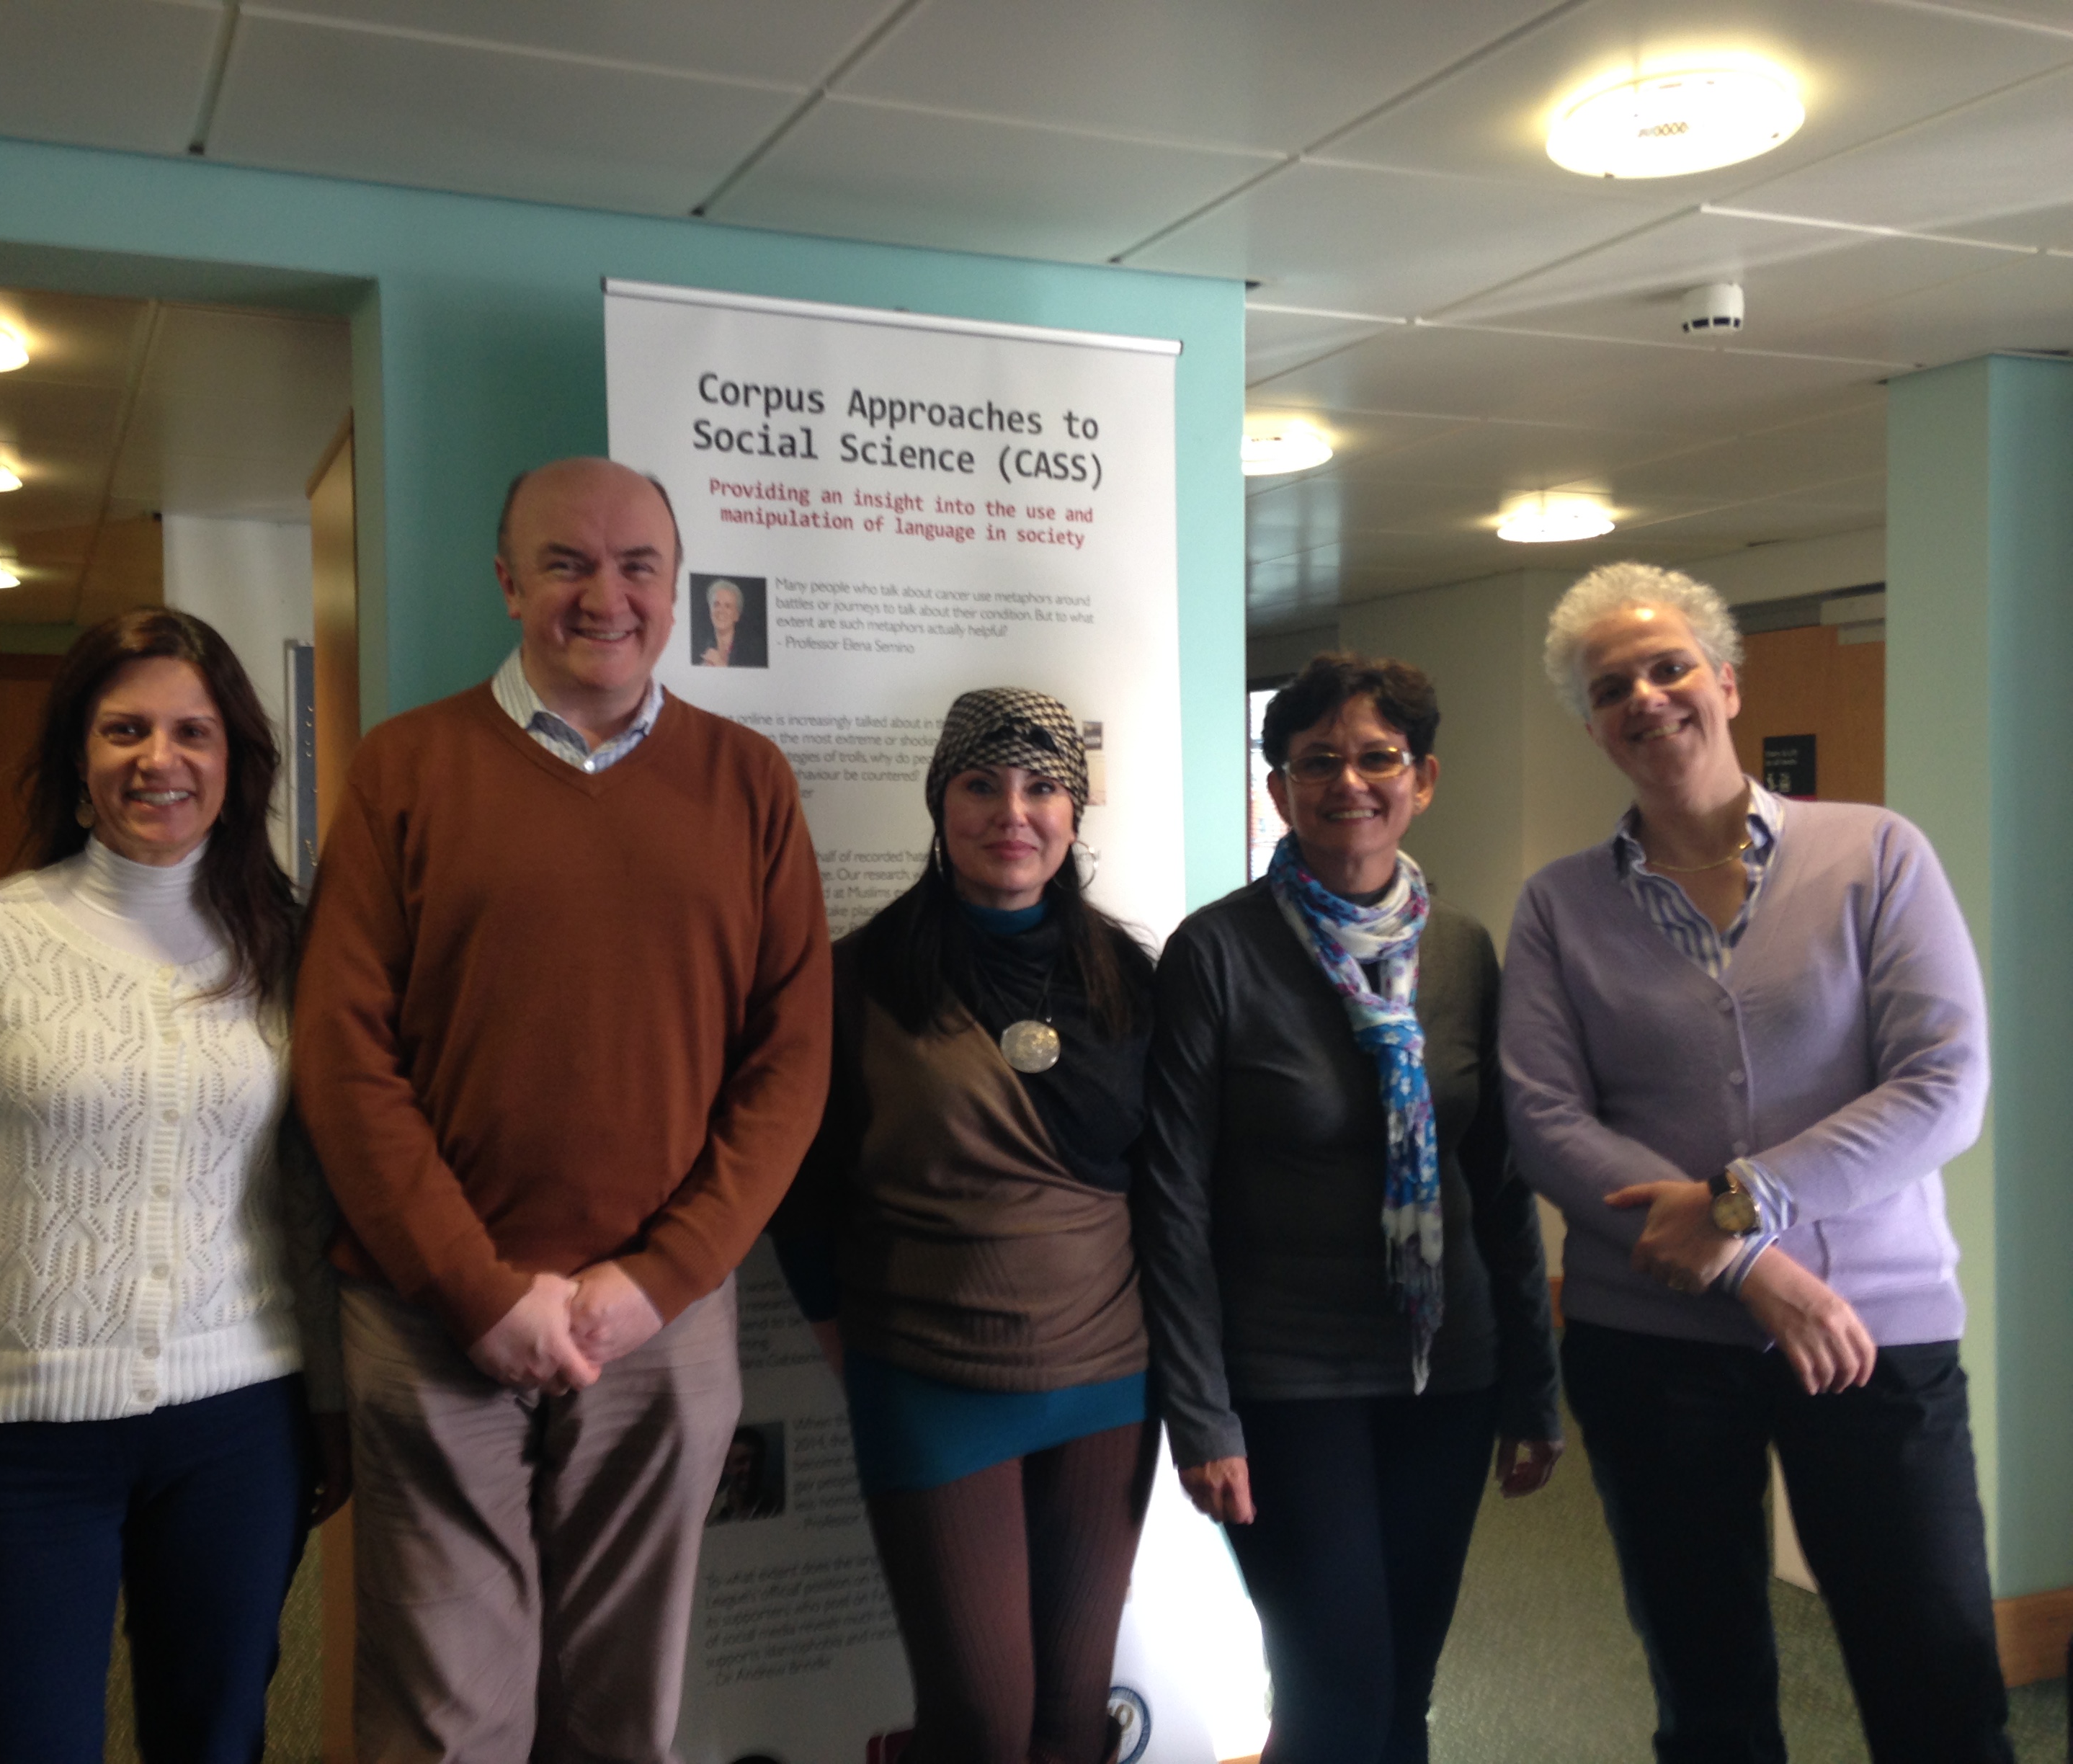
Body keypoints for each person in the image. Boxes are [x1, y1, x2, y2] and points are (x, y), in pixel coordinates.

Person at [293, 456, 833, 1764]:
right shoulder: (405, 767)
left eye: (638, 566)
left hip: (660, 1320)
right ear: (506, 582)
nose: (606, 596)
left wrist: (662, 1277)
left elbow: (791, 1061)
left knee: (620, 1713)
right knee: (444, 1720)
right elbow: (342, 1053)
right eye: (566, 564)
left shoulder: (748, 781)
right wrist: (474, 1288)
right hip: (431, 1316)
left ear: (675, 586)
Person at [1502, 562, 2009, 1764]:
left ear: (1725, 683)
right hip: (1653, 1345)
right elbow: (1543, 1119)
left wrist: (1741, 1205)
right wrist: (1748, 1268)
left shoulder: (1875, 853)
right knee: (1709, 1692)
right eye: (1610, 687)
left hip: (1869, 1328)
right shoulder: (1559, 906)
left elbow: (1943, 1085)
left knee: (1936, 1682)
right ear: (1593, 726)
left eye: (1668, 666)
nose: (1645, 696)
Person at [0, 607, 347, 1764]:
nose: (160, 759)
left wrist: (328, 1403)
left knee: (215, 1737)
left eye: (192, 732)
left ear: (235, 762)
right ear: (79, 755)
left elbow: (302, 1199)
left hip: (238, 1425)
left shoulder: (285, 947)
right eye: (125, 730)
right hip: (12, 1439)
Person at [1138, 654, 1562, 1764]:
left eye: (1378, 758)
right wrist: (1201, 1412)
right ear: (1278, 789)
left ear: (1424, 778)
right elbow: (1172, 1200)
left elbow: (1499, 1181)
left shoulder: (1463, 950)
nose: (1350, 783)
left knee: (1404, 1691)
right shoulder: (1216, 953)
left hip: (1447, 1372)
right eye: (1318, 761)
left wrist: (1534, 1381)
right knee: (1336, 1692)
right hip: (1286, 1379)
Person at [773, 687, 1157, 1764]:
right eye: (982, 784)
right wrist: (845, 1343)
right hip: (929, 1382)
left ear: (1075, 811)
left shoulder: (1131, 978)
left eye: (1042, 788)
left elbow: (1167, 1185)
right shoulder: (856, 979)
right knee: (981, 1725)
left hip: (1110, 1386)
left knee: (1073, 1721)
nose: (1012, 813)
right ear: (941, 801)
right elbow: (802, 1189)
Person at [699, 576, 747, 667]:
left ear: (736, 615)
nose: (721, 611)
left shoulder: (750, 652)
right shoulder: (699, 647)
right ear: (710, 610)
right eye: (716, 604)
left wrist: (721, 665)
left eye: (728, 606)